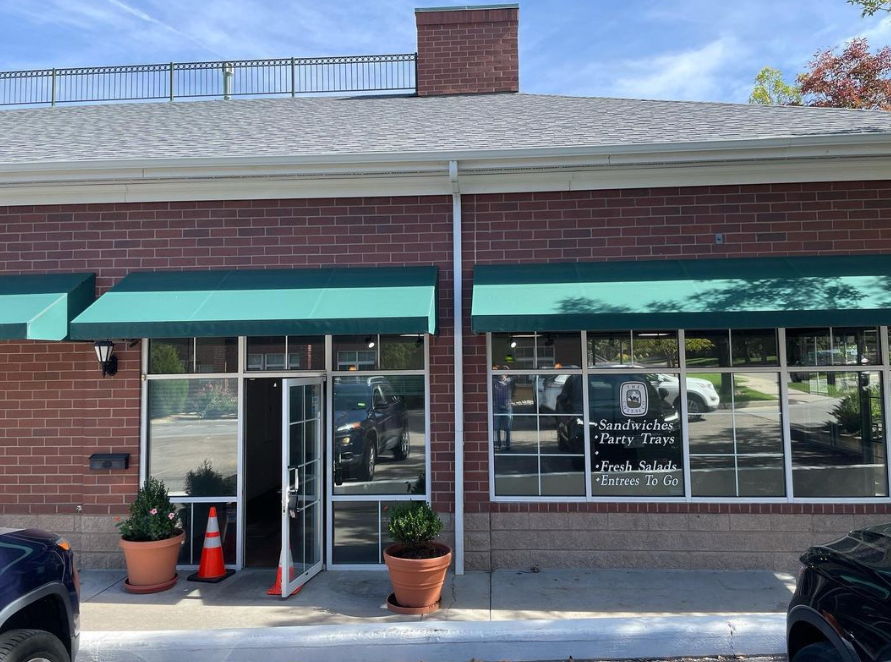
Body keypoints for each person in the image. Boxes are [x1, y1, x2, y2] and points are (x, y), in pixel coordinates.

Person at [492, 369, 513, 452]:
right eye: (499, 373)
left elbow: (518, 375)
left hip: (507, 407)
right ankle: (498, 445)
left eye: (503, 373)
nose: (501, 375)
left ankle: (508, 445)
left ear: (506, 374)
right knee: (496, 427)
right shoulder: (494, 382)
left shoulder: (509, 381)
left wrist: (508, 370)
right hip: (497, 407)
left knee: (507, 427)